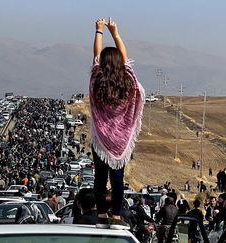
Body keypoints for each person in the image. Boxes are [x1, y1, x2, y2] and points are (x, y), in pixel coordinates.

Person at [90, 17, 144, 230]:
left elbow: (96, 55)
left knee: (100, 178)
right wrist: (116, 32)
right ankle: (117, 215)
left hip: (101, 140)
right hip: (121, 141)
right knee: (117, 177)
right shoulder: (128, 81)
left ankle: (102, 214)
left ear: (102, 64)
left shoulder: (97, 79)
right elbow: (126, 58)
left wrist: (99, 31)